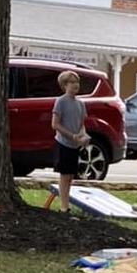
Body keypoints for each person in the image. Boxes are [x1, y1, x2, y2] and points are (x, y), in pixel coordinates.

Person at [51, 70, 89, 214]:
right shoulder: (60, 101)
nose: (75, 85)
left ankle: (66, 203)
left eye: (77, 82)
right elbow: (55, 124)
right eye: (72, 82)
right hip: (63, 143)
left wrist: (82, 136)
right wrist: (71, 136)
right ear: (64, 85)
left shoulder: (80, 104)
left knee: (71, 175)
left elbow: (82, 124)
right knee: (64, 174)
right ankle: (63, 206)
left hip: (75, 144)